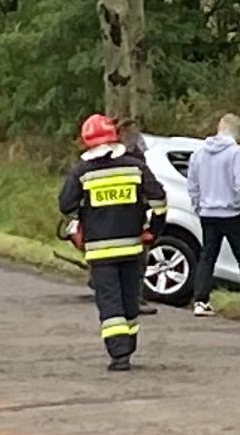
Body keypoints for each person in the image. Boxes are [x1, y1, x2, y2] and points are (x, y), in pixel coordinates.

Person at [59, 114, 167, 371]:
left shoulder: (82, 172)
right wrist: (153, 231)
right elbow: (159, 200)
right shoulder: (134, 167)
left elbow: (66, 204)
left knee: (110, 302)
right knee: (130, 300)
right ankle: (128, 346)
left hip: (99, 251)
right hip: (133, 247)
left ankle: (119, 356)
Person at [188, 113, 240, 318]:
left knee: (207, 256)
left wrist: (198, 207)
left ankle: (201, 300)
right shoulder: (235, 153)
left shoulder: (199, 153)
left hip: (208, 212)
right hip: (232, 212)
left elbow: (193, 184)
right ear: (236, 133)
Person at [114, 118, 158, 316]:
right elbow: (150, 190)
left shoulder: (107, 157)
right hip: (133, 216)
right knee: (137, 259)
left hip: (111, 216)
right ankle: (134, 299)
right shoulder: (135, 161)